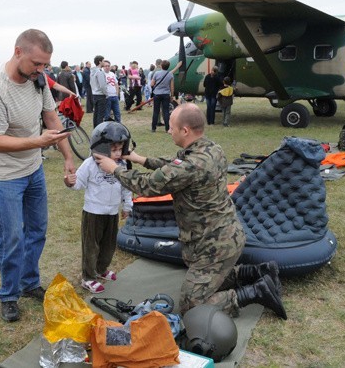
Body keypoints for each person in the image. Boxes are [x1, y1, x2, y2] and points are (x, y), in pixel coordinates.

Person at [95, 103, 287, 320]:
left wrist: (114, 168)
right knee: (209, 279)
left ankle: (255, 292)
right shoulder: (211, 149)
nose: (169, 131)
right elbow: (174, 166)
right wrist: (140, 159)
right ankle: (258, 272)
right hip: (225, 237)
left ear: (184, 130)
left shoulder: (192, 165)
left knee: (192, 307)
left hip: (214, 246)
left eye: (171, 127)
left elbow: (147, 186)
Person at [0, 29, 76, 322]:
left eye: (46, 64)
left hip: (34, 171)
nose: (41, 70)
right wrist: (38, 142)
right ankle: (8, 295)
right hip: (7, 176)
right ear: (18, 52)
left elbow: (51, 118)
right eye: (37, 64)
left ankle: (29, 282)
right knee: (11, 238)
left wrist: (68, 156)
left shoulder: (39, 81)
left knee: (37, 230)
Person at [64, 121, 133, 293]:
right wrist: (69, 181)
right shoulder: (90, 164)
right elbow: (78, 183)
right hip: (93, 213)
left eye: (120, 149)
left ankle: (101, 269)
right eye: (114, 149)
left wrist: (127, 206)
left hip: (111, 213)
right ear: (101, 148)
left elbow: (126, 187)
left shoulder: (121, 166)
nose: (117, 154)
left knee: (108, 244)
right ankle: (88, 277)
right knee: (91, 246)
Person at [150, 60, 176, 133]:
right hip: (166, 94)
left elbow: (152, 84)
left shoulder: (156, 73)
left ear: (161, 65)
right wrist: (172, 95)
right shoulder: (170, 74)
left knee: (156, 111)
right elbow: (172, 86)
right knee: (166, 111)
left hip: (157, 94)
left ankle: (153, 128)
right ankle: (167, 128)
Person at [90, 55, 108, 127]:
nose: (104, 62)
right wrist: (106, 93)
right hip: (100, 95)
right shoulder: (100, 71)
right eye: (103, 61)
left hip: (94, 94)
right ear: (100, 62)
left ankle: (95, 129)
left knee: (96, 114)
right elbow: (102, 85)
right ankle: (99, 131)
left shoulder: (92, 71)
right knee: (100, 115)